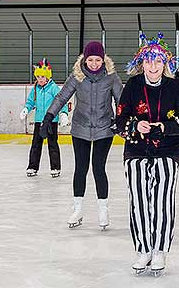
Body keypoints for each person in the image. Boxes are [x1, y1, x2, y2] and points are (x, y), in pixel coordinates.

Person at [116, 32, 179, 274]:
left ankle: (159, 250)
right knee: (138, 201)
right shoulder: (133, 86)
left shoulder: (176, 86)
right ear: (142, 63)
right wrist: (135, 125)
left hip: (167, 152)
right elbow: (120, 118)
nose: (153, 66)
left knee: (162, 201)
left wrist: (163, 128)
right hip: (136, 151)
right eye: (148, 61)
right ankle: (143, 249)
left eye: (158, 61)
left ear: (165, 63)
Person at [40, 41, 122, 230]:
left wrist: (121, 119)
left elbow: (121, 100)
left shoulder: (111, 78)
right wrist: (49, 116)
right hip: (80, 129)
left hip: (104, 129)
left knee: (98, 168)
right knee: (81, 168)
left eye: (98, 60)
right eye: (90, 59)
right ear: (85, 59)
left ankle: (103, 209)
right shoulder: (77, 76)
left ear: (104, 60)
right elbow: (61, 97)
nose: (94, 63)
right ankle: (77, 209)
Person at [20, 58, 69, 178]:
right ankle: (32, 167)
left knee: (52, 144)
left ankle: (55, 167)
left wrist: (63, 113)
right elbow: (31, 101)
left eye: (42, 77)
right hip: (38, 121)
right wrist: (26, 109)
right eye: (38, 77)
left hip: (51, 121)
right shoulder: (36, 89)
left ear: (47, 77)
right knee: (36, 144)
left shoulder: (53, 88)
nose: (40, 79)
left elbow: (61, 101)